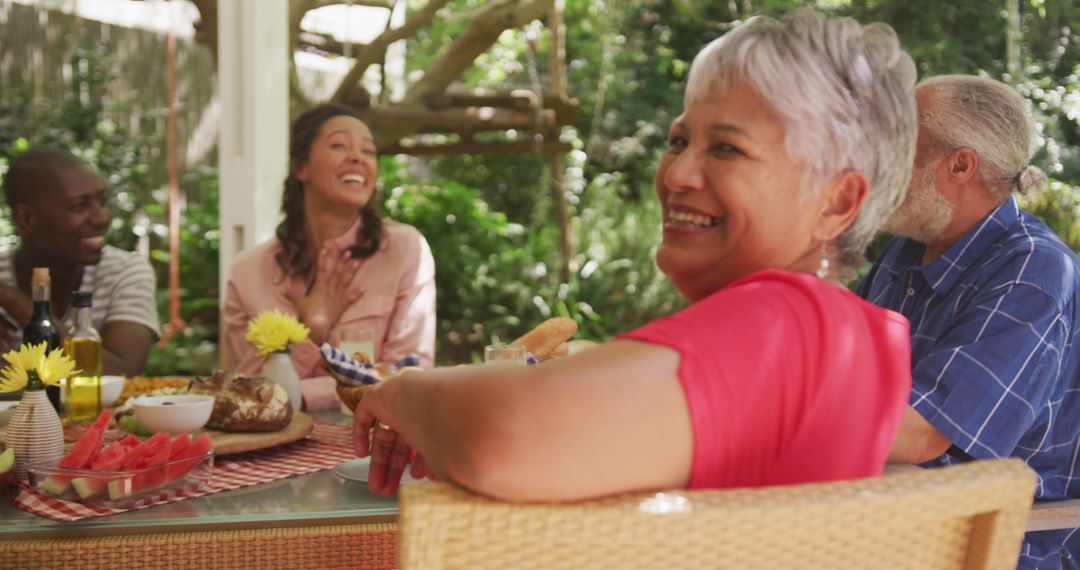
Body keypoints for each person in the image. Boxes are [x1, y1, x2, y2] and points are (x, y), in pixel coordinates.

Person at [351, 9, 918, 502]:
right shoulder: (865, 335)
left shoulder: (783, 319)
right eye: (678, 141)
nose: (677, 174)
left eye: (726, 148)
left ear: (837, 201)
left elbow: (508, 438)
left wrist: (403, 393)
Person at [859, 75, 1080, 569]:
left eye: (900, 145)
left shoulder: (1034, 272)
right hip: (894, 515)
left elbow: (918, 435)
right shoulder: (905, 250)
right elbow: (840, 370)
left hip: (1005, 545)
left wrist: (747, 422)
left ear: (960, 164)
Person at [223, 103, 436, 411]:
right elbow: (251, 396)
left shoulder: (406, 251)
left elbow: (409, 374)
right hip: (273, 455)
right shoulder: (248, 272)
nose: (358, 157)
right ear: (301, 168)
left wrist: (303, 389)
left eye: (369, 151)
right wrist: (312, 333)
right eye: (338, 145)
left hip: (370, 447)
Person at [0, 147, 160, 377]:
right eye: (79, 206)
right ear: (27, 218)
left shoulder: (123, 271)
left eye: (101, 201)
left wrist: (12, 300)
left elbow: (123, 375)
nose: (102, 217)